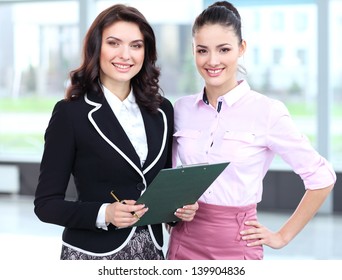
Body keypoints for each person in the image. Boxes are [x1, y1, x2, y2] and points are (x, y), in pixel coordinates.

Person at [167, 1, 336, 260]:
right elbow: (172, 180)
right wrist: (173, 211)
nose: (212, 61)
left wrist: (282, 236)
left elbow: (322, 177)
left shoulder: (267, 112)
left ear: (241, 48)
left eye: (224, 49)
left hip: (237, 244)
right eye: (203, 50)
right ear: (193, 50)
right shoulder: (181, 110)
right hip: (183, 243)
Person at [34, 4, 197, 260]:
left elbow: (159, 188)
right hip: (92, 255)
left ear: (146, 52)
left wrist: (178, 211)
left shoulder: (162, 110)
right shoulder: (71, 114)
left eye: (136, 45)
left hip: (151, 253)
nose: (125, 55)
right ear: (96, 48)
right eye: (114, 43)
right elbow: (45, 205)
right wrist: (104, 214)